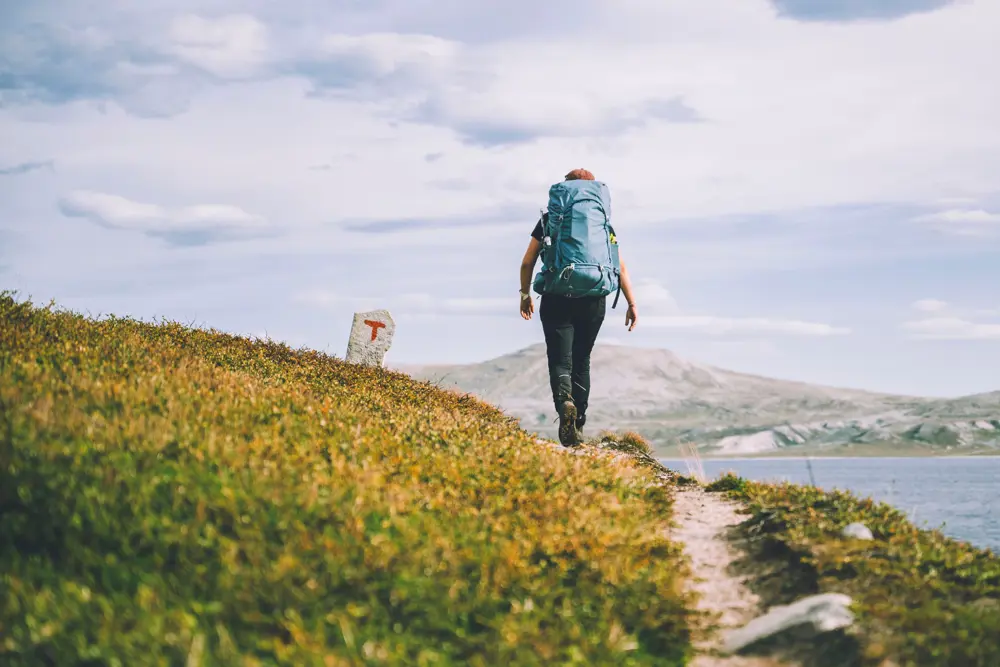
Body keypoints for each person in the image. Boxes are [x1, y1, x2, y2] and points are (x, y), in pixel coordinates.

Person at [518, 168, 638, 446]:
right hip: (594, 299)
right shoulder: (603, 223)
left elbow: (528, 261)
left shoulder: (550, 218)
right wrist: (631, 303)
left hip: (558, 294)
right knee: (582, 360)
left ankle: (564, 406)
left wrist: (525, 294)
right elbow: (619, 266)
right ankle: (579, 425)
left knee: (560, 359)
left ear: (566, 189)